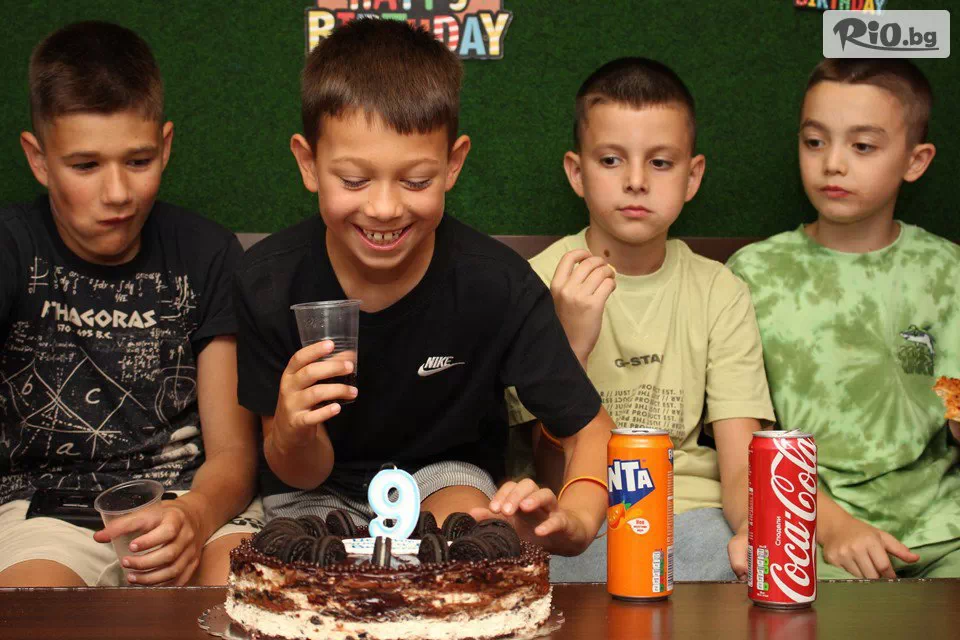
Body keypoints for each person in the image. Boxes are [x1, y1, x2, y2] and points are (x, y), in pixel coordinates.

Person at [234, 18, 612, 556]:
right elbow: (300, 470)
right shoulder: (268, 283)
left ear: (453, 164)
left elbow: (590, 429)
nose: (384, 208)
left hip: (445, 477)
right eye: (354, 180)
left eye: (416, 181)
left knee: (465, 534)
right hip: (311, 491)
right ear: (308, 163)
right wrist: (293, 430)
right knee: (295, 563)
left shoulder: (497, 285)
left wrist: (575, 522)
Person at [0, 21, 261, 587]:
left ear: (165, 146)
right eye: (85, 166)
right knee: (35, 606)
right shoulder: (12, 248)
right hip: (46, 513)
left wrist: (195, 515)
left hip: (194, 503)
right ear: (38, 159)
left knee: (245, 594)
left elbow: (234, 455)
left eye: (138, 161)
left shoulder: (208, 253)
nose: (117, 193)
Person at [507, 58, 775, 581]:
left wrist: (751, 531)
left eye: (660, 162)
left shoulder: (720, 291)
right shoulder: (533, 283)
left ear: (692, 176)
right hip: (579, 521)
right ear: (577, 173)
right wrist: (571, 347)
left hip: (691, 516)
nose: (635, 182)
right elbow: (546, 467)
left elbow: (742, 459)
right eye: (611, 160)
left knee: (724, 564)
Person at [727, 58, 960, 579]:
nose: (833, 163)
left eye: (863, 146)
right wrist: (831, 528)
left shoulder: (946, 272)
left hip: (943, 533)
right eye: (815, 142)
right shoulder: (754, 274)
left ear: (915, 160)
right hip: (807, 531)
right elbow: (746, 445)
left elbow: (955, 407)